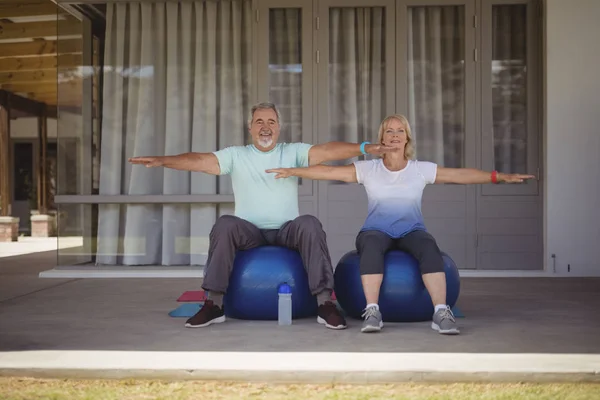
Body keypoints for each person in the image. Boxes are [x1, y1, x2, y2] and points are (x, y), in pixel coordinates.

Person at [129, 102, 396, 330]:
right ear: (250, 127)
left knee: (310, 224)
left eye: (271, 121)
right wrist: (163, 160)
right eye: (259, 121)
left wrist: (364, 147)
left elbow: (327, 151)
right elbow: (198, 160)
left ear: (279, 127)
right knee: (224, 224)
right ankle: (214, 304)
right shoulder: (236, 155)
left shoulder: (292, 151)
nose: (265, 126)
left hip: (286, 231)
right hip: (249, 232)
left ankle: (325, 304)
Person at [266, 114, 535, 335]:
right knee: (370, 246)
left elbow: (459, 175)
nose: (394, 135)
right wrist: (293, 171)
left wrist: (497, 176)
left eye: (400, 131)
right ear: (381, 138)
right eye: (389, 131)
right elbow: (328, 171)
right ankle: (372, 311)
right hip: (375, 230)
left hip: (412, 230)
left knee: (429, 247)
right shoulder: (369, 169)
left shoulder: (419, 169)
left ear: (407, 138)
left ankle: (441, 312)